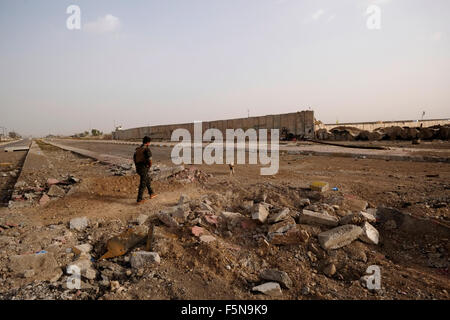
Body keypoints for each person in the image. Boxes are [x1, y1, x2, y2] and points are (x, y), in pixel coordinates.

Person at [134, 136, 157, 204]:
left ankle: (151, 193)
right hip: (143, 167)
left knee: (147, 179)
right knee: (143, 183)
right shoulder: (146, 149)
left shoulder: (138, 149)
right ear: (148, 142)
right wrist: (149, 165)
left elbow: (134, 159)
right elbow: (150, 160)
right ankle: (139, 199)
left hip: (138, 167)